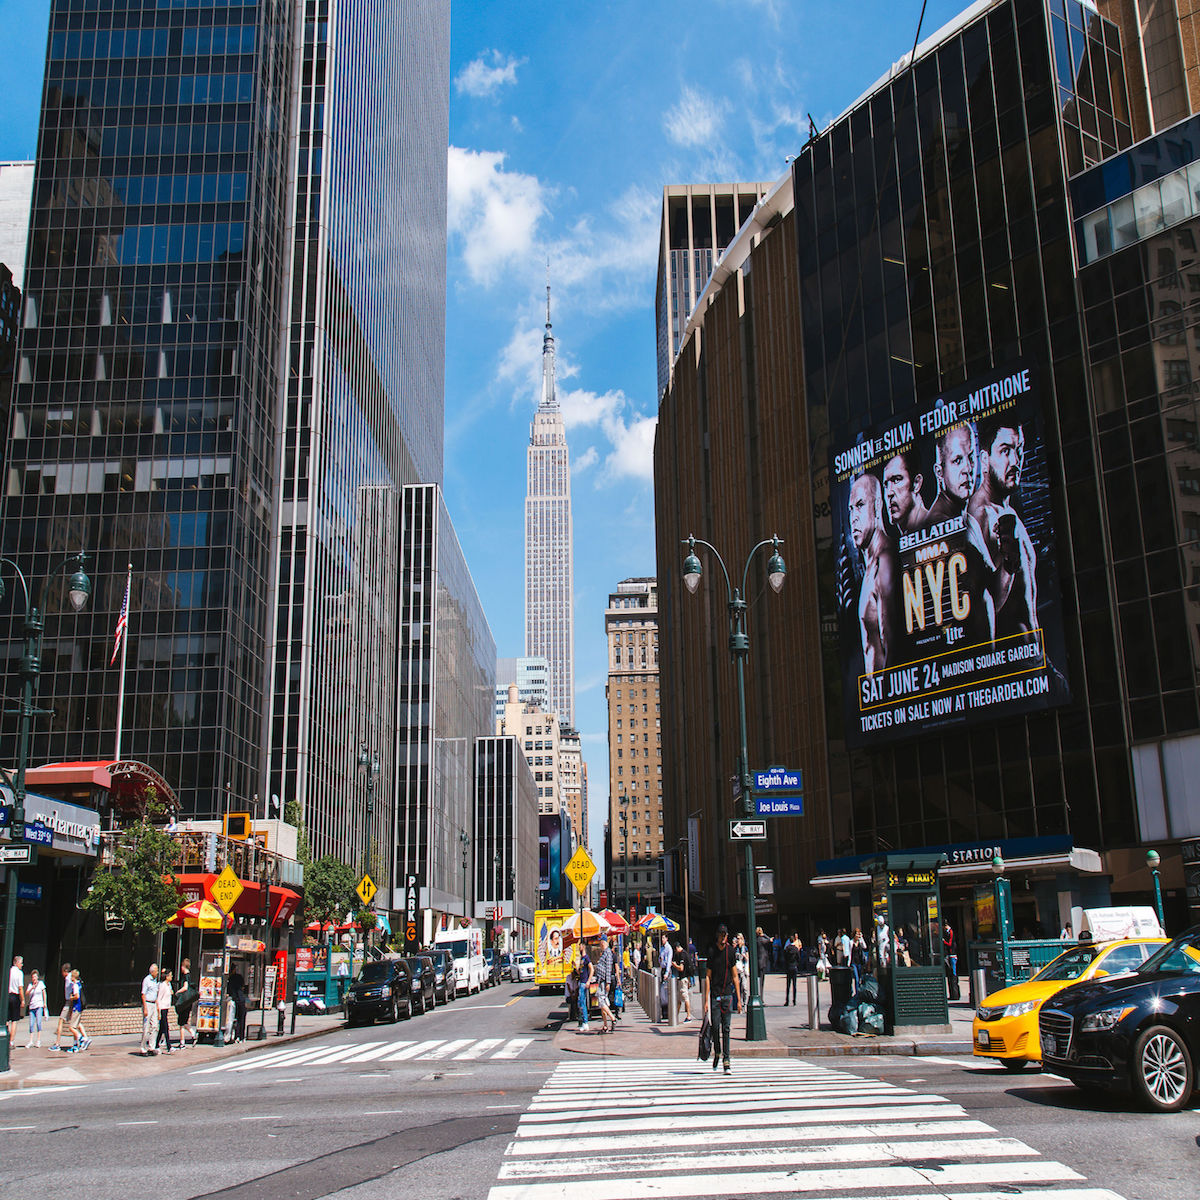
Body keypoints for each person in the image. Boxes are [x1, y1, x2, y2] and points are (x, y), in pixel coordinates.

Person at [966, 416, 1037, 638]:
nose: (1015, 461)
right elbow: (986, 603)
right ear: (984, 459)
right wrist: (1009, 563)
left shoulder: (1006, 511)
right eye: (1005, 451)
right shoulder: (981, 514)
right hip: (1010, 657)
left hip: (1034, 654)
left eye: (1019, 450)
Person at [847, 473, 900, 674]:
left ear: (877, 505)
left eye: (860, 505)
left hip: (890, 690)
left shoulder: (884, 561)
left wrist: (887, 691)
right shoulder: (871, 565)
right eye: (851, 509)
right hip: (876, 691)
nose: (854, 517)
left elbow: (894, 648)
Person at [704, 924, 741, 1075]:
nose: (723, 937)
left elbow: (735, 976)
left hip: (727, 995)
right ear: (717, 935)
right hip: (715, 995)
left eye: (725, 935)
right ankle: (717, 1051)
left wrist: (739, 999)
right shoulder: (712, 951)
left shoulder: (730, 952)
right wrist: (706, 1000)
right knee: (715, 1027)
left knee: (726, 1028)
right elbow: (708, 976)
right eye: (721, 935)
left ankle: (727, 1060)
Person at [923, 423, 976, 528]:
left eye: (971, 457)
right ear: (939, 472)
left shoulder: (966, 519)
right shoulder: (938, 523)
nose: (968, 468)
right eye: (957, 460)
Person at [883, 449, 930, 533]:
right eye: (886, 485)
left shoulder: (934, 523)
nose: (889, 493)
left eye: (896, 480)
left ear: (916, 483)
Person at [49, 963, 73, 1051]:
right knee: (75, 1023)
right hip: (71, 1002)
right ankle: (80, 1040)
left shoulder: (68, 978)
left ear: (65, 971)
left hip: (69, 1002)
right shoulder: (72, 977)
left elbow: (73, 987)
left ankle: (57, 1043)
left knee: (61, 1020)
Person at [594, 935, 615, 1033]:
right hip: (601, 980)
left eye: (600, 942)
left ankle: (613, 1018)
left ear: (603, 942)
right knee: (602, 1003)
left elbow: (608, 968)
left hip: (604, 981)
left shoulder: (608, 953)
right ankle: (605, 1025)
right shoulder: (604, 953)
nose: (599, 944)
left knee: (601, 1001)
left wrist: (608, 983)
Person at [175, 957, 197, 1047]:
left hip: (184, 1001)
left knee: (181, 1022)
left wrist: (178, 992)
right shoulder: (189, 975)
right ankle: (188, 1037)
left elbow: (185, 987)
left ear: (183, 966)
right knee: (183, 1022)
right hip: (188, 1001)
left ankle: (183, 1041)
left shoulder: (185, 976)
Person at [139, 961, 160, 1055]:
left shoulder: (155, 981)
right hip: (148, 1003)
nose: (157, 972)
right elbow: (143, 994)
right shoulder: (147, 980)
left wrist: (157, 1008)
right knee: (146, 1027)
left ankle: (152, 1047)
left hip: (154, 1004)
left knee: (155, 1026)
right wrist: (145, 1008)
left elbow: (156, 994)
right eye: (156, 971)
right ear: (152, 971)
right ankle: (143, 1048)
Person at [25, 968, 47, 1048]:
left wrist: (45, 1003)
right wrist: (32, 988)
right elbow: (26, 993)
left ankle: (38, 1040)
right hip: (32, 1006)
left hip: (39, 1005)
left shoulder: (41, 984)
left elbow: (44, 993)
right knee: (31, 1024)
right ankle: (31, 1040)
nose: (34, 978)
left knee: (38, 1023)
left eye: (35, 977)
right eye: (32, 977)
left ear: (37, 977)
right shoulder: (30, 985)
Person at [155, 967, 175, 1054]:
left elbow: (170, 993)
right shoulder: (162, 985)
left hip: (166, 1007)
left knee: (162, 1028)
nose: (171, 977)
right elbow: (159, 998)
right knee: (166, 1027)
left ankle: (156, 1044)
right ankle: (169, 1046)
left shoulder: (168, 984)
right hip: (162, 1008)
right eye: (170, 975)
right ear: (166, 976)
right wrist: (158, 1011)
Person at [672, 942, 692, 1021]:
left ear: (677, 948)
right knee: (679, 998)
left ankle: (689, 1016)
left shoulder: (682, 955)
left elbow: (681, 968)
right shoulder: (685, 953)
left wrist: (674, 965)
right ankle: (675, 1015)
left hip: (683, 978)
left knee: (685, 996)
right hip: (685, 978)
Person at [7, 954, 23, 1049]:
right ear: (16, 963)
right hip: (15, 995)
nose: (22, 965)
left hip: (8, 995)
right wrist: (23, 999)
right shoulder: (19, 973)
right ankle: (11, 1042)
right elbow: (20, 987)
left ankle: (5, 1037)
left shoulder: (9, 971)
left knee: (7, 1020)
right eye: (21, 963)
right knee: (14, 1020)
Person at [227, 967, 248, 1042]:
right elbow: (242, 987)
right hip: (241, 1000)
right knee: (241, 1019)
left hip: (234, 1000)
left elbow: (229, 991)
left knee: (234, 1019)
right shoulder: (238, 977)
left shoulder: (230, 979)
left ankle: (236, 1036)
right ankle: (241, 1036)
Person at [576, 947, 593, 1032]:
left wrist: (588, 981)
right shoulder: (582, 959)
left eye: (580, 945)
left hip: (584, 983)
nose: (579, 947)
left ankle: (585, 1022)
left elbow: (592, 969)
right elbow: (580, 972)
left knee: (582, 1002)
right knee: (581, 1002)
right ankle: (584, 1022)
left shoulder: (586, 958)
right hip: (581, 981)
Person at [783, 933, 801, 1005]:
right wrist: (796, 964)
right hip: (794, 966)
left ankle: (787, 1000)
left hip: (788, 967)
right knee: (794, 985)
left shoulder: (787, 949)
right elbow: (799, 958)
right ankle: (794, 1000)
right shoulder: (796, 949)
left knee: (788, 985)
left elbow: (785, 958)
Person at [658, 933, 673, 1021]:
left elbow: (669, 961)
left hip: (667, 970)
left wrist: (667, 973)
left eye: (663, 938)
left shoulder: (668, 948)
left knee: (666, 991)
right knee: (662, 992)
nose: (662, 939)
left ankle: (667, 1012)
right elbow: (660, 959)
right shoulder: (662, 948)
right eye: (662, 938)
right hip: (662, 969)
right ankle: (664, 1012)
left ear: (667, 939)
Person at [943, 922, 960, 1000]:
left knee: (953, 973)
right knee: (951, 973)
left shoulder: (950, 932)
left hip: (952, 954)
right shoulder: (948, 932)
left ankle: (955, 994)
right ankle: (953, 994)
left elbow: (950, 943)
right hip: (950, 954)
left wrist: (944, 941)